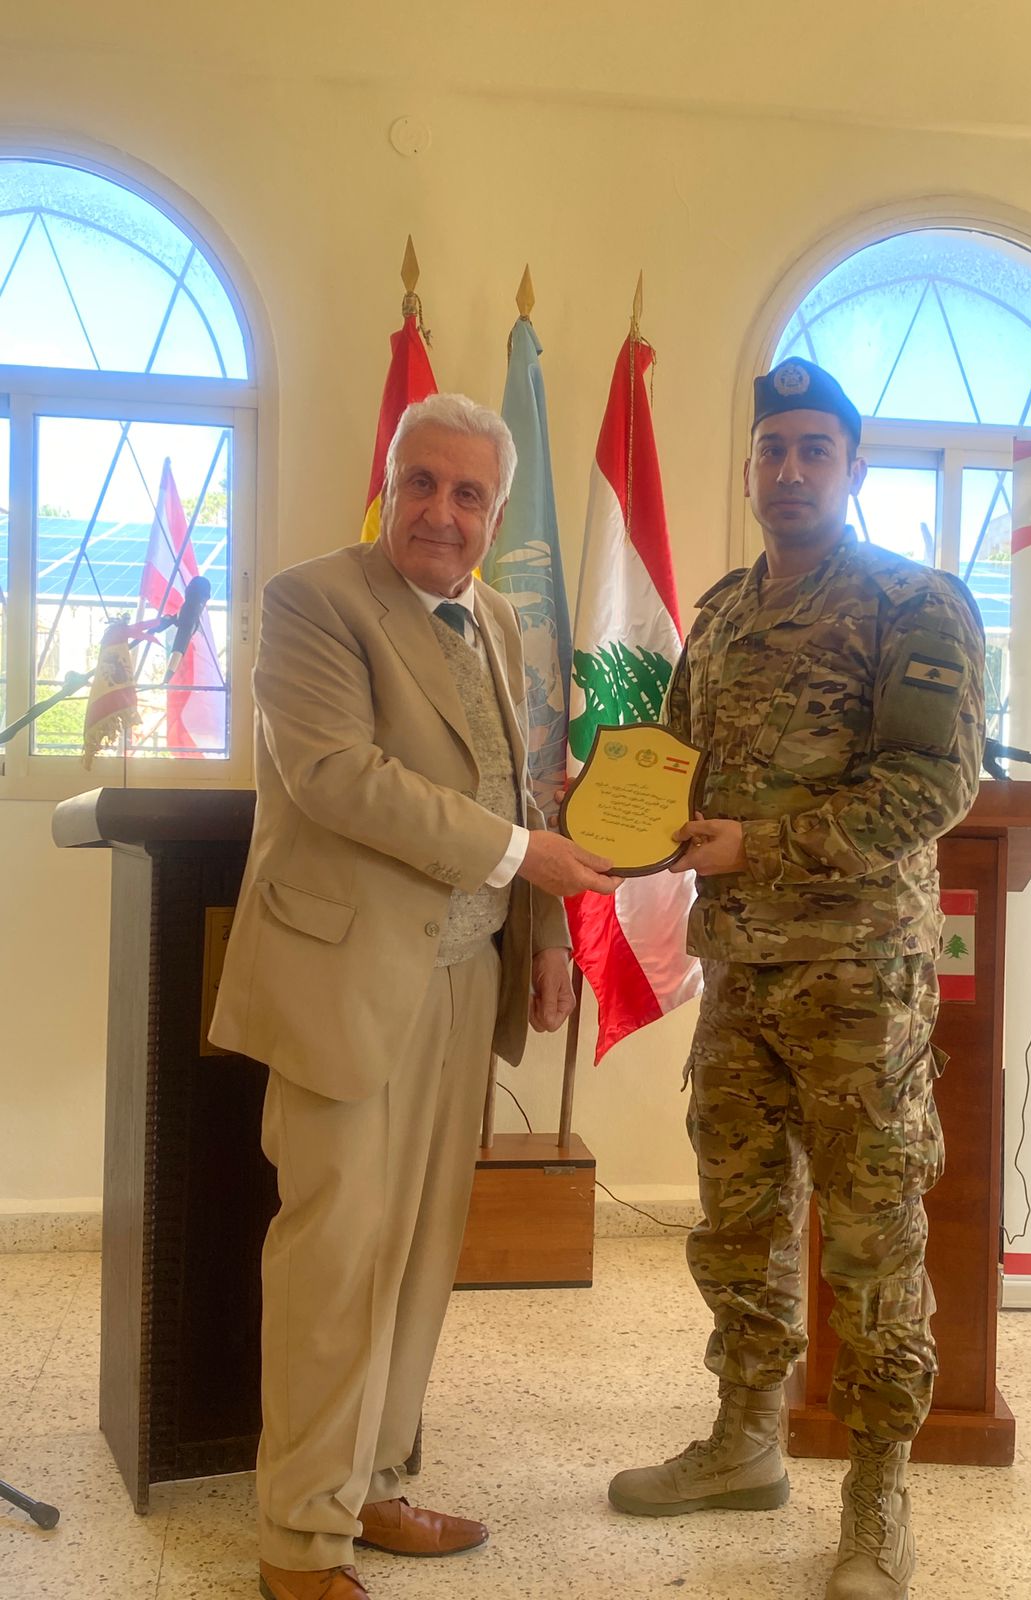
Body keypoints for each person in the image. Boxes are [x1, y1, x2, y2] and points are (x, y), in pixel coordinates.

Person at [210, 393, 617, 1600]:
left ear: (496, 512)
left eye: (469, 493)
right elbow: (340, 777)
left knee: (423, 1252)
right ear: (388, 480)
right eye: (422, 482)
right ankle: (300, 1537)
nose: (443, 511)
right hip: (345, 981)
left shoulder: (497, 618)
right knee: (335, 1257)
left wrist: (544, 931)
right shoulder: (312, 602)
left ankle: (377, 1481)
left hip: (463, 978)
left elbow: (518, 786)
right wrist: (523, 858)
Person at [607, 358, 985, 1600]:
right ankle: (745, 1439)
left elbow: (931, 788)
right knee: (740, 1222)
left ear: (853, 468)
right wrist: (616, 811)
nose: (791, 470)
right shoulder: (720, 614)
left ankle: (879, 1489)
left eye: (816, 449)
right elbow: (677, 767)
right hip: (741, 976)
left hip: (858, 984)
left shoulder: (913, 603)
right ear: (751, 467)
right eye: (773, 449)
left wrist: (759, 847)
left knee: (872, 1239)